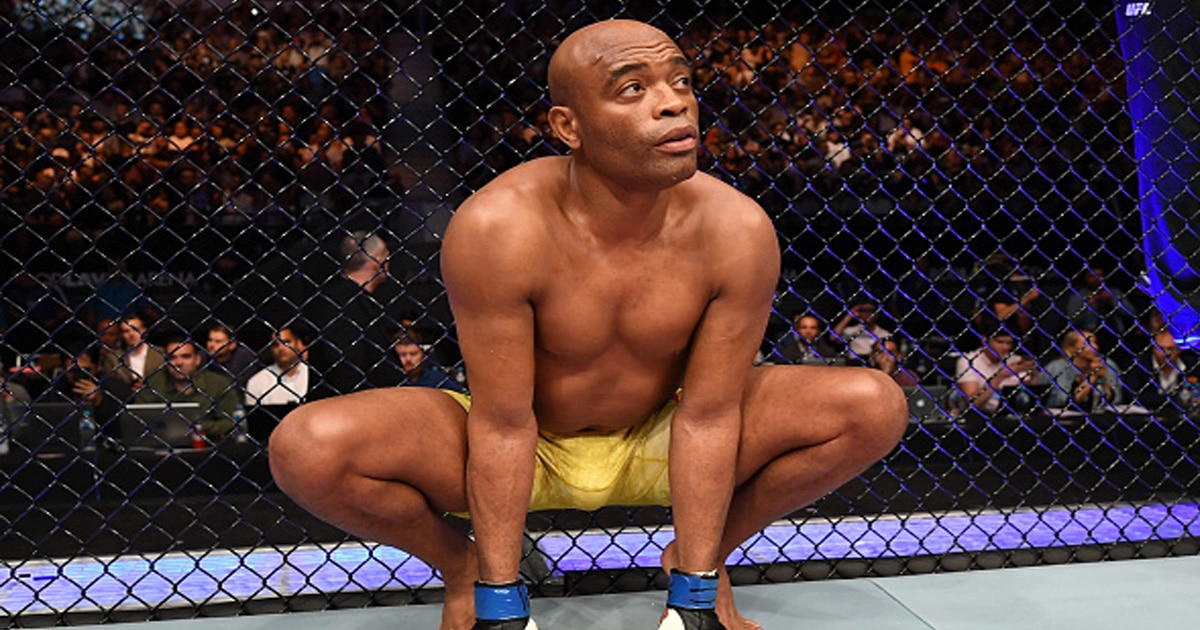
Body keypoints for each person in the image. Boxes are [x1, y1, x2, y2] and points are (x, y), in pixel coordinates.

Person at [269, 20, 907, 630]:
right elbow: (501, 419)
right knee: (307, 448)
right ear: (568, 126)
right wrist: (497, 597)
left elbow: (710, 413)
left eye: (681, 83)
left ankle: (694, 556)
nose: (672, 105)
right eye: (634, 89)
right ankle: (463, 565)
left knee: (872, 405)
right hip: (523, 438)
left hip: (665, 431)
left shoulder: (736, 229)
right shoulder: (499, 227)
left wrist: (698, 586)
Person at [304, 231, 399, 399]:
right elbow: (346, 370)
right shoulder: (341, 303)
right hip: (354, 409)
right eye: (387, 257)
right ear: (378, 261)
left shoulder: (352, 300)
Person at [136, 336, 238, 439]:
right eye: (172, 357)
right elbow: (137, 421)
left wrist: (200, 427)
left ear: (197, 359)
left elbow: (232, 420)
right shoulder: (153, 385)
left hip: (208, 445)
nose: (179, 363)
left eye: (186, 356)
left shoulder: (218, 383)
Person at [954, 318, 1040, 415]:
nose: (1005, 347)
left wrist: (1033, 374)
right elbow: (972, 403)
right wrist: (1000, 376)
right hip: (980, 416)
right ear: (984, 341)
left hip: (1014, 415)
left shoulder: (1015, 360)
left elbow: (1030, 398)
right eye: (1000, 342)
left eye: (1009, 343)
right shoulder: (968, 361)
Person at [1043, 329, 1122, 412]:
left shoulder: (1105, 364)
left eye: (1095, 343)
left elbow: (1116, 400)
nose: (1095, 347)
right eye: (1087, 343)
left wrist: (1103, 380)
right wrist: (1093, 376)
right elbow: (1064, 401)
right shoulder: (1059, 367)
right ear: (1070, 348)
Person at [1124, 330, 1193, 413]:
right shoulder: (1139, 366)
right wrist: (1175, 399)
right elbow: (1133, 396)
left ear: (1179, 349)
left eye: (1170, 349)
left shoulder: (1191, 365)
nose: (1165, 353)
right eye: (1160, 348)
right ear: (1153, 348)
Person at [245, 326, 311, 406]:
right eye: (275, 345)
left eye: (286, 342)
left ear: (299, 343)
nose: (281, 348)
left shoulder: (312, 373)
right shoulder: (257, 381)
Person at [391, 328, 466, 392]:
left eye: (413, 354)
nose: (408, 359)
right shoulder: (392, 382)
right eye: (402, 354)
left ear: (423, 355)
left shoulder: (440, 381)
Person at [103, 314, 165, 390]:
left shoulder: (161, 353)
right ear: (121, 334)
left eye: (136, 329)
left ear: (144, 331)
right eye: (126, 331)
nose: (131, 334)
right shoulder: (113, 358)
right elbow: (111, 385)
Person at [830, 294, 891, 362]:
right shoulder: (851, 331)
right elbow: (833, 337)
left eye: (871, 310)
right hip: (855, 361)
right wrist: (849, 316)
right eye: (863, 310)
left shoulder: (884, 333)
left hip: (875, 362)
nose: (868, 314)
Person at [770, 312, 846, 364]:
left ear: (818, 331)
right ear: (797, 330)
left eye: (813, 328)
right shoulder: (784, 354)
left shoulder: (829, 353)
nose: (808, 331)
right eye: (804, 327)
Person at [204, 323, 259, 389]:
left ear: (232, 345)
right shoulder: (202, 357)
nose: (211, 345)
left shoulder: (244, 358)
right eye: (210, 340)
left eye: (218, 341)